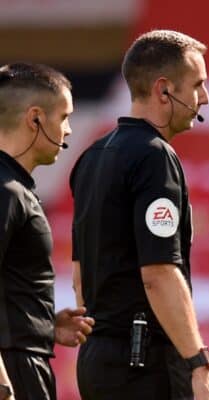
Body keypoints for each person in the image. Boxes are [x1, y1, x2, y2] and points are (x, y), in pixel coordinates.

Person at [70, 30, 209, 400]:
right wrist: (198, 365)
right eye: (198, 84)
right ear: (164, 90)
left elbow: (79, 278)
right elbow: (159, 273)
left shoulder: (92, 156)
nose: (205, 97)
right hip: (143, 362)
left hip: (97, 361)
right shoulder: (155, 158)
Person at [0, 62, 95, 400]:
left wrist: (43, 325)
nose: (68, 130)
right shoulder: (6, 189)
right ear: (36, 118)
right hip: (13, 372)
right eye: (64, 116)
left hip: (22, 360)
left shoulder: (15, 188)